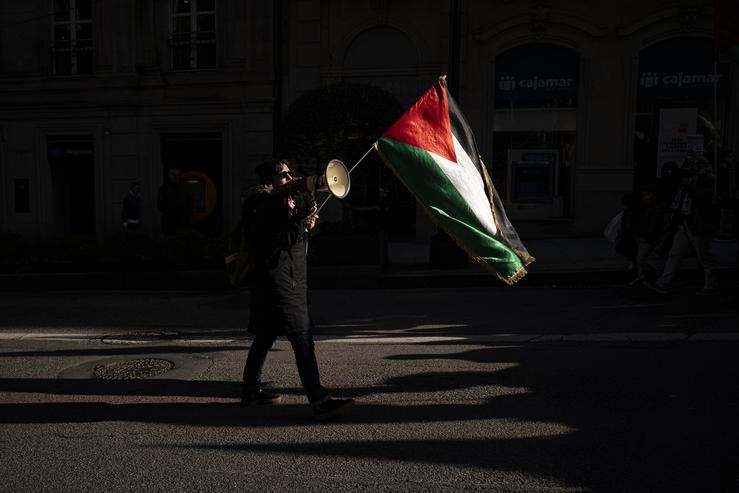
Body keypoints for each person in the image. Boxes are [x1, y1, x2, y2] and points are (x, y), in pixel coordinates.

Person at [240, 159, 354, 420]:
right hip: (280, 285)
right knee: (302, 338)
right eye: (283, 174)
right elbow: (275, 240)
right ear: (269, 181)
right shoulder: (265, 203)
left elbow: (287, 235)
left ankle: (250, 391)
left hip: (279, 283)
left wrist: (304, 219)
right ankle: (319, 399)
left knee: (265, 336)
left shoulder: (276, 202)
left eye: (291, 172)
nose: (290, 177)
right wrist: (303, 224)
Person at [645, 155, 720, 295]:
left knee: (703, 255)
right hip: (685, 221)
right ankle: (663, 283)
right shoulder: (687, 182)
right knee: (675, 253)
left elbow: (706, 200)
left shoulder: (709, 181)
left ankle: (711, 284)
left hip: (699, 224)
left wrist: (691, 187)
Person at [628, 184, 665, 286]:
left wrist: (646, 236)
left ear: (654, 196)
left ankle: (657, 274)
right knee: (641, 258)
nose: (645, 197)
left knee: (641, 259)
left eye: (648, 195)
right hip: (644, 237)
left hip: (648, 238)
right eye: (644, 195)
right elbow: (642, 223)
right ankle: (642, 276)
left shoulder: (656, 209)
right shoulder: (647, 208)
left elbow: (654, 225)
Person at [157, 168, 193, 236]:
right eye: (173, 175)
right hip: (169, 224)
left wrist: (188, 219)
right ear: (169, 176)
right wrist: (172, 212)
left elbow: (189, 204)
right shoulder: (163, 189)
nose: (175, 177)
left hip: (182, 224)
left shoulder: (184, 188)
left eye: (177, 175)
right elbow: (160, 205)